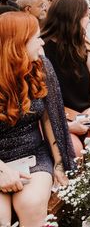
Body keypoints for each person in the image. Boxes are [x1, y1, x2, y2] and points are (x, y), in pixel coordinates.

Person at [0, 12, 75, 227]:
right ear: (18, 44)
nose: (42, 42)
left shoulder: (40, 66)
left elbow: (50, 118)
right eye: (36, 37)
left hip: (32, 155)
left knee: (31, 204)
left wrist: (59, 164)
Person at [41, 0, 90, 159]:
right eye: (86, 16)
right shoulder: (42, 48)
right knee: (72, 150)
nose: (89, 21)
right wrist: (68, 124)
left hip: (88, 111)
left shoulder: (85, 44)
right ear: (73, 18)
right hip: (56, 116)